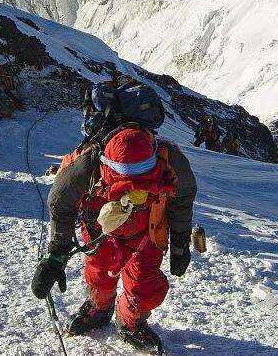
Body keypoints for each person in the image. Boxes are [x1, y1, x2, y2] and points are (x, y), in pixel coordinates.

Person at [32, 127, 196, 354]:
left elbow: (183, 200)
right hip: (100, 230)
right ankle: (99, 308)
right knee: (98, 272)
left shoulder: (171, 161)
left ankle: (130, 320)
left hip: (147, 232)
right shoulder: (85, 165)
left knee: (144, 286)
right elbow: (61, 204)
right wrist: (56, 254)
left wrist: (180, 243)